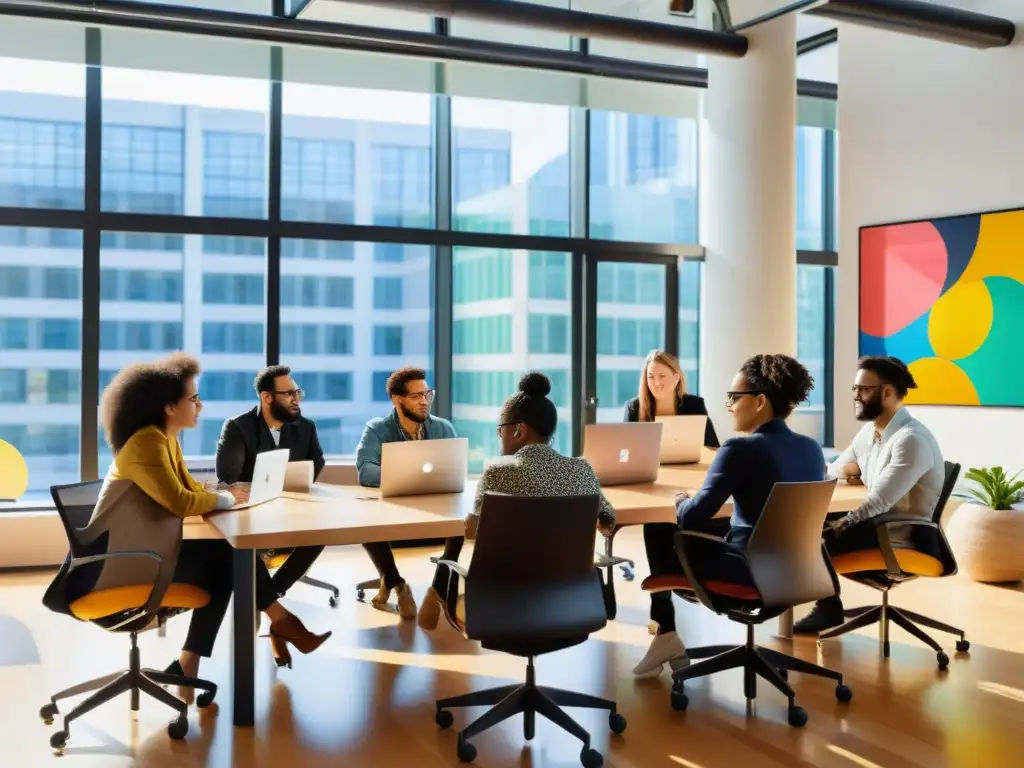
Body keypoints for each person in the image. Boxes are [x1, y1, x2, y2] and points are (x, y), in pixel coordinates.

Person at [97, 354, 331, 695]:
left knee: (227, 558)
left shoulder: (164, 440)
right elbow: (180, 502)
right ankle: (281, 621)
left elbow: (187, 490)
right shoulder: (148, 442)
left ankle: (189, 663)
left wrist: (216, 492)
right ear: (169, 407)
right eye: (193, 398)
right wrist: (223, 498)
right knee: (226, 557)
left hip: (148, 549)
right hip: (124, 561)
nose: (200, 405)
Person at [634, 353, 825, 677]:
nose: (729, 405)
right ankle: (665, 634)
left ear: (760, 401)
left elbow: (692, 518)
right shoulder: (811, 448)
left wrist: (680, 500)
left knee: (658, 526)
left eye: (735, 397)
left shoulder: (739, 449)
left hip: (746, 572)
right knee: (725, 521)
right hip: (797, 569)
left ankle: (665, 632)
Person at [419, 372, 616, 630]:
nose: (499, 437)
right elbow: (608, 520)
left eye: (501, 430)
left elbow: (471, 531)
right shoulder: (582, 469)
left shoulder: (498, 472)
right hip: (569, 602)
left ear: (519, 430)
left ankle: (435, 596)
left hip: (504, 604)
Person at [794, 356, 945, 634]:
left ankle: (827, 609)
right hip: (878, 524)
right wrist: (853, 469)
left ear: (887, 392)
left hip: (901, 534)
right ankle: (826, 606)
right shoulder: (870, 432)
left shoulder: (911, 439)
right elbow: (835, 468)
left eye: (863, 389)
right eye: (855, 389)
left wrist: (841, 525)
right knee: (804, 528)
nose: (855, 396)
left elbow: (880, 501)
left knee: (807, 535)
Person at [354, 366, 464, 622]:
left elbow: (456, 467)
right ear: (397, 399)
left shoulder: (443, 428)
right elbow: (365, 471)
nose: (424, 402)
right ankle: (397, 583)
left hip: (435, 516)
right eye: (416, 396)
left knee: (460, 524)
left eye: (427, 394)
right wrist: (407, 475)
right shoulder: (377, 429)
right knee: (364, 522)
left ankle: (438, 587)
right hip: (393, 519)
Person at [216, 365, 326, 600]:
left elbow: (317, 461)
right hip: (251, 514)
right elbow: (228, 478)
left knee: (321, 532)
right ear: (267, 397)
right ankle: (267, 601)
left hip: (292, 509)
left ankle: (270, 594)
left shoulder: (306, 427)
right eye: (289, 394)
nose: (296, 399)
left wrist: (301, 483)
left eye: (297, 393)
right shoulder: (238, 427)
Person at [624, 349, 720, 449]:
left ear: (676, 378)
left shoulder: (695, 405)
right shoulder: (633, 408)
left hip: (689, 464)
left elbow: (714, 448)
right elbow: (624, 451)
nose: (656, 383)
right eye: (651, 377)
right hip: (647, 465)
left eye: (662, 376)